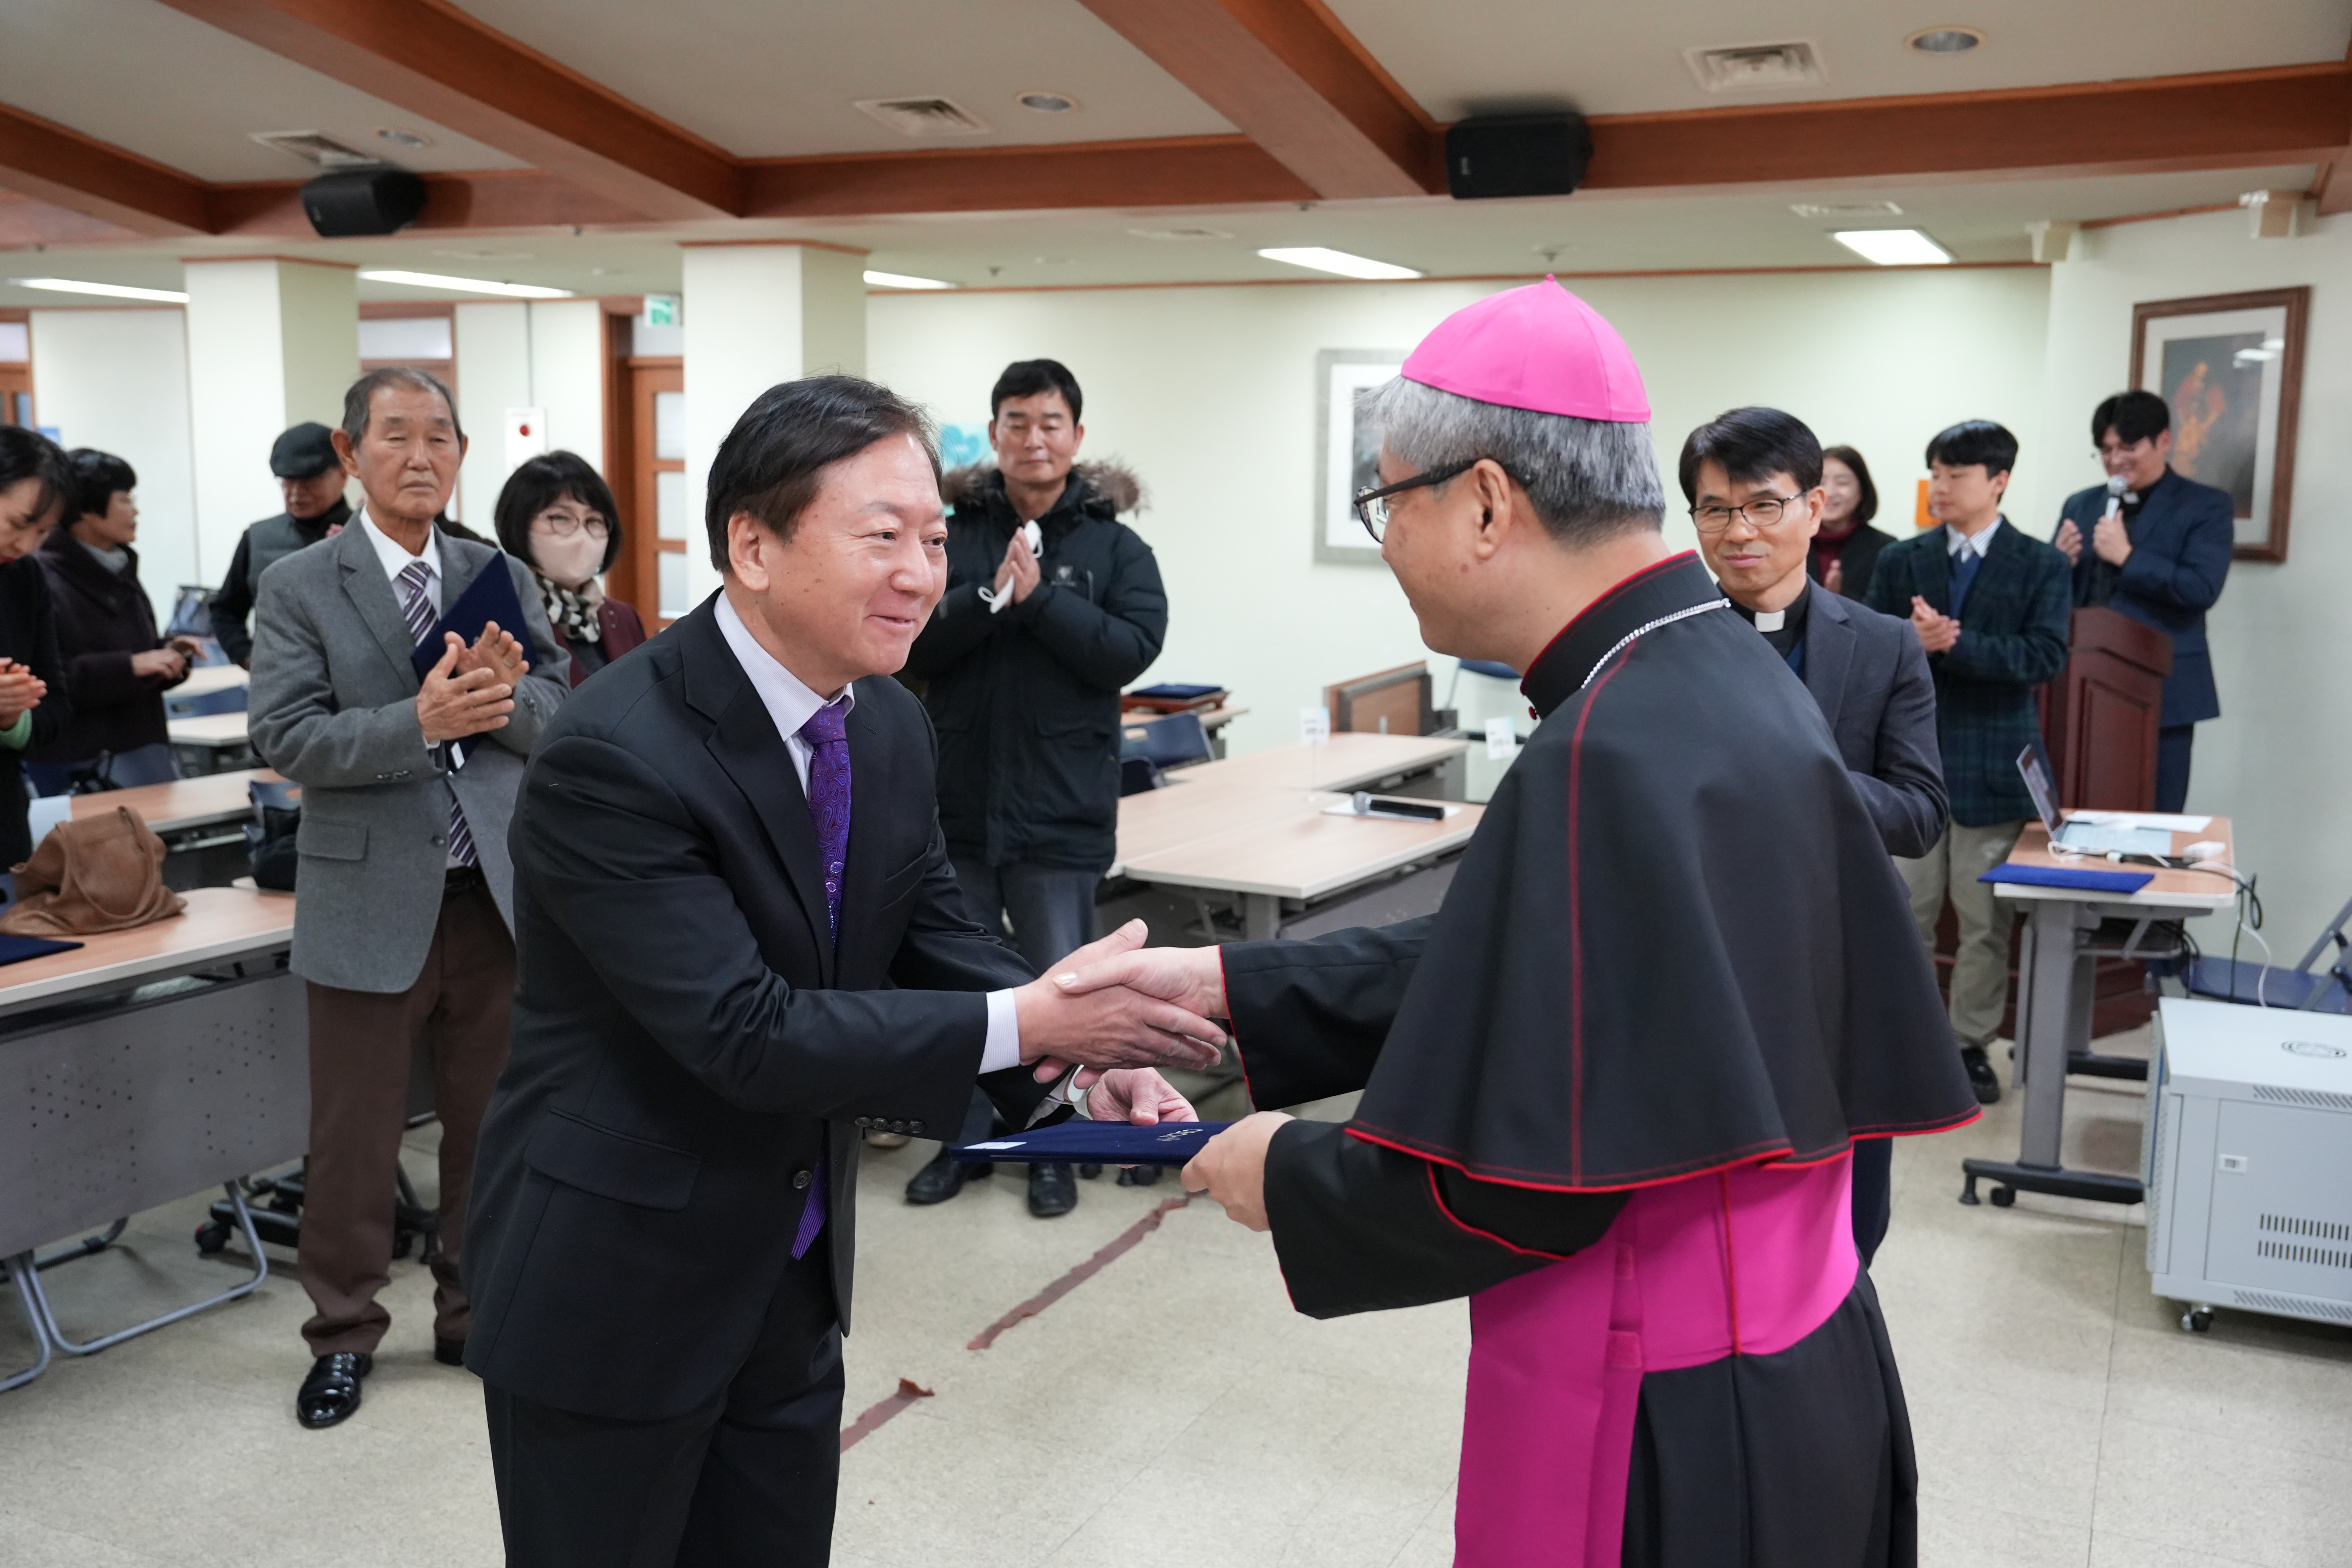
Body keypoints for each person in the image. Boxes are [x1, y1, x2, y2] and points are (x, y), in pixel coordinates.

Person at [1059, 282, 1978, 1566]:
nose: (1383, 541)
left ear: (1488, 501)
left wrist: (1275, 1165)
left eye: (1387, 503)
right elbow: (1584, 969)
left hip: (1664, 1406)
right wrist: (1225, 984)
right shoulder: (1710, 674)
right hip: (1794, 1362)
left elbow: (1516, 1193)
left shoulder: (1604, 740)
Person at [461, 374, 1216, 1567]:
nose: (923, 571)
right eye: (882, 536)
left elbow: (926, 922)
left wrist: (1073, 1057)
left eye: (931, 536)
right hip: (617, 1284)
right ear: (752, 545)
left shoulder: (885, 721)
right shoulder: (612, 751)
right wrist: (1025, 1017)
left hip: (795, 1267)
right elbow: (745, 1031)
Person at [247, 366, 570, 1431]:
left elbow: (559, 712)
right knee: (355, 1136)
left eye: (441, 436)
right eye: (395, 436)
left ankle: (474, 1315)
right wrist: (417, 723)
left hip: (494, 898)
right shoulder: (302, 584)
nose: (421, 455)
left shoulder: (493, 572)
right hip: (368, 898)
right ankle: (341, 1334)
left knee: (492, 1126)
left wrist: (500, 703)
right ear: (351, 456)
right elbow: (286, 736)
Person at [900, 358, 1167, 1217]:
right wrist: (989, 598)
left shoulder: (1116, 545)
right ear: (996, 433)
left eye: (1050, 422)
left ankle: (1052, 1146)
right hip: (961, 806)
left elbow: (1130, 650)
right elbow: (914, 643)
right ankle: (963, 1140)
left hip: (1060, 812)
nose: (1033, 438)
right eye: (1015, 422)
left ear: (1076, 437)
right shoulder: (952, 533)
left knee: (1064, 994)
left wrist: (1042, 599)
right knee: (968, 993)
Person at [1682, 405, 1948, 1264]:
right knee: (1706, 1213)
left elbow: (1919, 811)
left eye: (1763, 504)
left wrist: (1806, 779)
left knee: (1846, 1223)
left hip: (1839, 964)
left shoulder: (1881, 647)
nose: (1739, 530)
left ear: (1814, 507)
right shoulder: (1659, 646)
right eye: (1714, 509)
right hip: (1701, 964)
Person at [1867, 421, 2071, 1105]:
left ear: (1999, 480)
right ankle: (1907, 1037)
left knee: (1984, 921)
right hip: (1907, 767)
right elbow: (1865, 648)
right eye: (1935, 472)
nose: (1941, 487)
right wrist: (1910, 643)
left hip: (1992, 766)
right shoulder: (1903, 559)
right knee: (1904, 911)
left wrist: (1954, 642)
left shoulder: (2040, 563)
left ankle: (1967, 1045)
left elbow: (2045, 657)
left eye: (1955, 474)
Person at [2051, 390, 2232, 812]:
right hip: (2084, 684)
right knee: (2080, 808)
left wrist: (2129, 557)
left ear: (2164, 441)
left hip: (2164, 688)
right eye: (2106, 450)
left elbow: (2202, 588)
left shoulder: (2206, 505)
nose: (2115, 461)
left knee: (2158, 814)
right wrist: (2058, 563)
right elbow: (2055, 595)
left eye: (2128, 448)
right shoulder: (2081, 503)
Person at [26, 448, 197, 793]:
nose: (135, 511)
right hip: (75, 765)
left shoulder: (120, 568)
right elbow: (43, 681)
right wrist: (131, 666)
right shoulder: (38, 577)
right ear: (87, 510)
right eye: (125, 500)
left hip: (143, 751)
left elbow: (136, 654)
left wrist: (168, 656)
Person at [491, 450, 648, 688]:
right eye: (561, 518)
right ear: (519, 524)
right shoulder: (501, 619)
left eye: (594, 521)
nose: (581, 535)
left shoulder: (624, 619)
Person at [210, 422, 350, 668]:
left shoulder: (369, 534)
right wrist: (248, 657)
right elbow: (225, 611)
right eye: (287, 482)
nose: (296, 493)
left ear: (343, 473)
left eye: (310, 481)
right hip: (280, 690)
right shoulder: (257, 538)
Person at [0, 426, 72, 865]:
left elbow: (58, 705)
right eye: (19, 524)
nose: (27, 545)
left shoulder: (24, 578)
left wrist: (13, 720)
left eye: (43, 532)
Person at [1810, 443, 1898, 601]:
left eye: (1842, 483)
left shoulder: (1886, 549)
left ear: (1862, 492)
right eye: (1821, 483)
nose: (1829, 493)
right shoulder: (1792, 542)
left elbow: (1887, 615)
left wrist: (1838, 597)